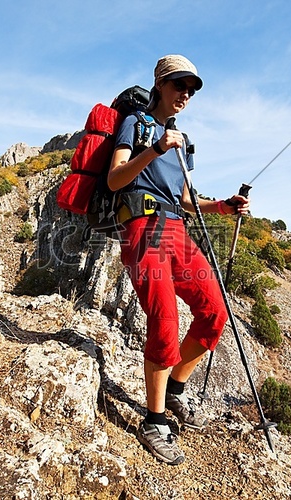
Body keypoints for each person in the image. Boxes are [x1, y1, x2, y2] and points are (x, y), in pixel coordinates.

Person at [107, 54, 249, 464]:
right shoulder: (136, 125)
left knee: (214, 313)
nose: (185, 94)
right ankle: (153, 420)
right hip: (141, 228)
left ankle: (175, 390)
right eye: (179, 85)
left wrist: (223, 205)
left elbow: (186, 199)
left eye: (191, 89)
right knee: (165, 319)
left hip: (177, 231)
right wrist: (153, 148)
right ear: (160, 85)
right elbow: (116, 179)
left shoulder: (183, 142)